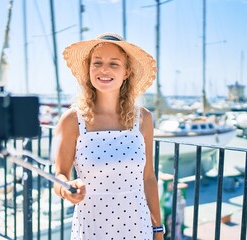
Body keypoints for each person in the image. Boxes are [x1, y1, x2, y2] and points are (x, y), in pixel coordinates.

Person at [53, 33, 164, 240]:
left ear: (126, 72)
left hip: (137, 226)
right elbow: (59, 176)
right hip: (92, 227)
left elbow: (148, 178)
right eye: (97, 63)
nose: (104, 69)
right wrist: (67, 189)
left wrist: (157, 228)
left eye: (114, 64)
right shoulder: (72, 120)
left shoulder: (143, 119)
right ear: (89, 70)